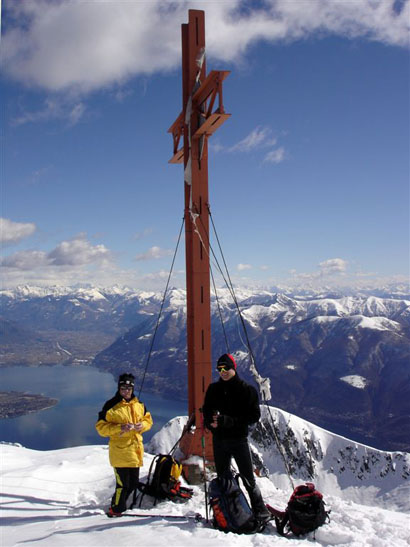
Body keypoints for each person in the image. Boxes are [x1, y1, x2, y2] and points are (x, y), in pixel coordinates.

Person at [203, 353, 271, 523]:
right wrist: (211, 422)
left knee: (248, 478)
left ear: (234, 367)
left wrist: (228, 421)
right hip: (219, 440)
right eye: (219, 369)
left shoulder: (247, 391)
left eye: (226, 368)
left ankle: (259, 511)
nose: (223, 371)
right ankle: (230, 512)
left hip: (238, 440)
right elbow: (206, 411)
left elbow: (253, 416)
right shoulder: (213, 389)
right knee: (224, 478)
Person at [96, 373, 153, 517]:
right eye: (123, 388)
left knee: (133, 484)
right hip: (120, 453)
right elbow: (101, 428)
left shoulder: (139, 404)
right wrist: (120, 428)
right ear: (119, 388)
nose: (126, 391)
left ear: (132, 388)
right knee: (123, 485)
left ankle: (122, 506)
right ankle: (115, 510)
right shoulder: (111, 406)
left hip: (135, 452)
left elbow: (148, 420)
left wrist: (142, 425)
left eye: (129, 388)